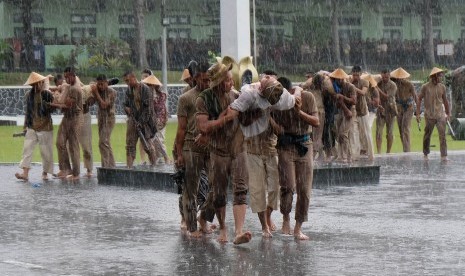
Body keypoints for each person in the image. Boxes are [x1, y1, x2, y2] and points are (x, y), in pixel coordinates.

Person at [224, 74, 297, 238]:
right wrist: (258, 113)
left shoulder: (278, 100)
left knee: (274, 189)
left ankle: (268, 216)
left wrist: (298, 90)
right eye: (265, 80)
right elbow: (241, 119)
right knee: (257, 190)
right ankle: (264, 226)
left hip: (271, 149)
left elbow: (281, 127)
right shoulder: (249, 96)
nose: (265, 80)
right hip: (252, 149)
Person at [195, 61, 251, 245]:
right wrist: (225, 118)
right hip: (218, 151)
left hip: (238, 148)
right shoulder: (204, 99)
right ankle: (221, 227)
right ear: (218, 82)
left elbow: (248, 120)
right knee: (218, 194)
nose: (231, 83)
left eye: (231, 79)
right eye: (227, 80)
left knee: (241, 189)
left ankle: (239, 231)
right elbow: (203, 126)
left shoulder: (238, 96)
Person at [272, 76, 319, 240]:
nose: (280, 99)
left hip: (304, 144)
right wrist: (274, 124)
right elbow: (266, 114)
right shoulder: (276, 102)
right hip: (285, 146)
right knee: (288, 186)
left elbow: (316, 121)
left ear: (290, 91)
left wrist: (299, 112)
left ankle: (298, 227)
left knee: (304, 190)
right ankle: (285, 218)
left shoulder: (307, 97)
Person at [175, 61, 215, 237]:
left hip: (212, 147)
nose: (207, 83)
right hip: (191, 147)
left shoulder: (214, 96)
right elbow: (181, 129)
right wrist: (179, 153)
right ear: (196, 77)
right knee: (191, 189)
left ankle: (203, 218)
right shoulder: (186, 98)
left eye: (210, 80)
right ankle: (192, 227)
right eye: (204, 80)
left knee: (218, 188)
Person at [15, 72, 55, 181]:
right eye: (34, 84)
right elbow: (28, 112)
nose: (37, 85)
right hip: (32, 126)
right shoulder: (29, 95)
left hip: (45, 127)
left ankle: (45, 173)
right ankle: (25, 174)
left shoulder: (47, 94)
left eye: (39, 83)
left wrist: (49, 105)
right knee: (27, 150)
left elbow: (53, 109)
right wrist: (25, 126)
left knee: (46, 152)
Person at [123, 71, 157, 168]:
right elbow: (125, 103)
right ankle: (129, 167)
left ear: (134, 77)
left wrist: (141, 122)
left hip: (145, 122)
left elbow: (148, 109)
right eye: (125, 81)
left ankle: (154, 167)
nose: (127, 83)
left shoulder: (145, 89)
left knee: (148, 146)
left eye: (128, 80)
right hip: (133, 120)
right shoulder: (128, 90)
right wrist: (126, 108)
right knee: (130, 145)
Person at [54, 67, 83, 180]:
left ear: (73, 75)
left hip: (76, 117)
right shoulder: (69, 85)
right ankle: (65, 169)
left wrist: (53, 103)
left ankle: (76, 173)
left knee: (73, 145)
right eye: (64, 77)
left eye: (67, 77)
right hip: (67, 117)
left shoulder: (75, 88)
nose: (65, 79)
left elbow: (66, 105)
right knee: (59, 142)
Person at [416, 67, 451, 162]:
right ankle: (426, 153)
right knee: (427, 135)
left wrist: (448, 113)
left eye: (441, 76)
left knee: (442, 135)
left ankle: (444, 155)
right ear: (434, 76)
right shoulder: (425, 87)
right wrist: (418, 113)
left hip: (440, 115)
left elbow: (445, 100)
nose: (441, 78)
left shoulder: (442, 87)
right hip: (429, 115)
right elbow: (419, 99)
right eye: (439, 76)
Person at [329, 68, 357, 163]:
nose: (339, 80)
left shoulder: (350, 87)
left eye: (341, 79)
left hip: (350, 110)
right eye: (337, 79)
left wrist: (343, 97)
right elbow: (337, 103)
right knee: (339, 135)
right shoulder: (334, 88)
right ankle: (344, 155)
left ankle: (347, 156)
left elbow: (354, 101)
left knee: (343, 134)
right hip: (341, 110)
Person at [142, 74, 171, 164]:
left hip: (159, 120)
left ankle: (166, 157)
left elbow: (159, 108)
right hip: (150, 121)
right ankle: (157, 160)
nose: (148, 86)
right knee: (153, 141)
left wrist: (152, 99)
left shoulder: (161, 95)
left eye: (149, 84)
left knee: (158, 139)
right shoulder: (146, 95)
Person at [91, 74, 116, 168]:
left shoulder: (112, 92)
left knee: (102, 142)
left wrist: (96, 93)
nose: (100, 86)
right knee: (106, 143)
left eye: (102, 84)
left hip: (109, 119)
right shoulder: (97, 90)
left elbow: (104, 105)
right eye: (99, 84)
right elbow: (90, 102)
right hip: (101, 118)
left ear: (106, 82)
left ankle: (105, 167)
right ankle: (112, 166)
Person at [391, 67, 417, 152]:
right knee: (400, 128)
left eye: (401, 78)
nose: (400, 80)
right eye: (398, 78)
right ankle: (405, 148)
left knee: (405, 127)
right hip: (399, 108)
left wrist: (418, 109)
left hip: (408, 107)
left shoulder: (409, 84)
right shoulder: (394, 85)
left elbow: (415, 96)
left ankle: (407, 150)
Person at [350, 66, 371, 160]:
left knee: (366, 134)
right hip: (353, 112)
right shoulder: (349, 82)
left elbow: (363, 92)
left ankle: (369, 153)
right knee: (354, 134)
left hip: (363, 111)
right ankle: (355, 155)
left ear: (360, 74)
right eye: (354, 75)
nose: (355, 77)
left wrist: (353, 88)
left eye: (357, 75)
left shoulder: (364, 82)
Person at [376, 69, 397, 154]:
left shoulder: (393, 85)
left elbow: (387, 97)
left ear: (389, 76)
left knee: (390, 133)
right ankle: (379, 152)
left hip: (391, 110)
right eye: (383, 76)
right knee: (378, 132)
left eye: (387, 76)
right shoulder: (379, 83)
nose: (385, 78)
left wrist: (377, 89)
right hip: (381, 110)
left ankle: (388, 152)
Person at [138, 69, 154, 165]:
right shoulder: (138, 88)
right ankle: (143, 159)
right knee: (141, 139)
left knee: (150, 140)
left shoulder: (153, 88)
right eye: (143, 76)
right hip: (140, 118)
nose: (144, 78)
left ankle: (152, 160)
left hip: (150, 118)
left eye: (146, 76)